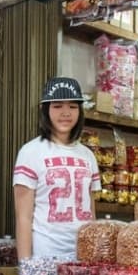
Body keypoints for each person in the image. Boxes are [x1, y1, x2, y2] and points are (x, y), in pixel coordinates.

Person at [13, 77, 100, 259]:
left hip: (82, 258)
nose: (66, 113)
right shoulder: (31, 152)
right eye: (57, 106)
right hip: (45, 257)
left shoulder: (88, 156)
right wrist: (26, 266)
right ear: (45, 110)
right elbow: (23, 217)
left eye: (73, 106)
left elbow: (91, 212)